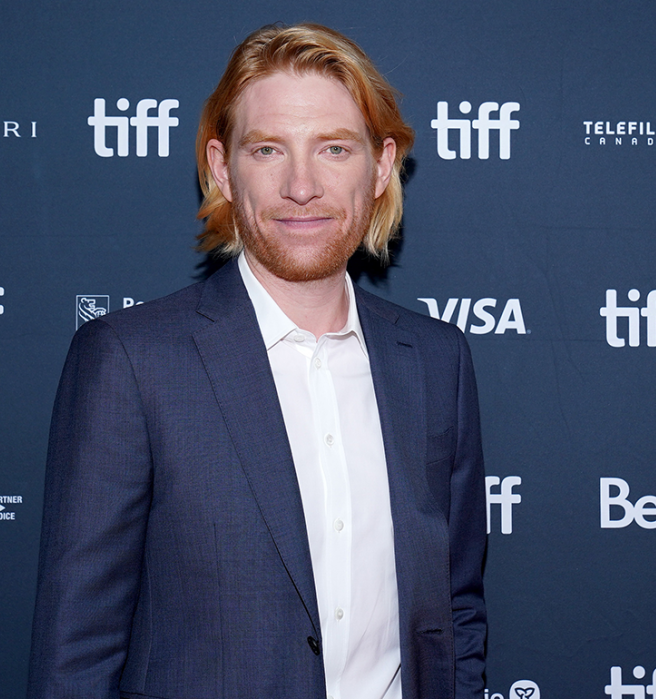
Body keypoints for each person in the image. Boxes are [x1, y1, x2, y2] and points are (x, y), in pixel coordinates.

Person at [28, 23, 486, 699]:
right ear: (221, 167)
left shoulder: (437, 361)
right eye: (269, 149)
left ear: (382, 166)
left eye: (334, 148)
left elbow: (458, 610)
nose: (302, 185)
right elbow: (76, 656)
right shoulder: (129, 362)